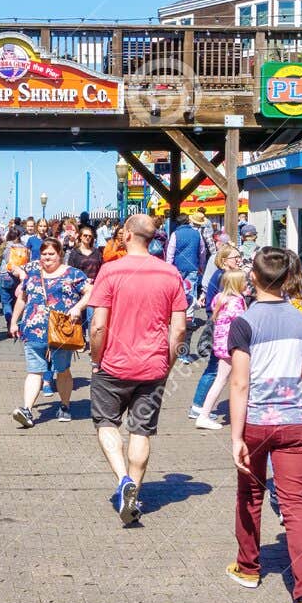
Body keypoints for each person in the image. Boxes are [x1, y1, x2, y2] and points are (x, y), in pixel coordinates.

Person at [225, 248, 302, 603]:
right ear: (287, 279)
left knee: (250, 495)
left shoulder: (244, 322)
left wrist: (236, 436)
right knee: (296, 505)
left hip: (256, 423)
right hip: (295, 422)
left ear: (253, 275)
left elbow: (239, 382)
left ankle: (249, 567)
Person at [86, 214, 187, 524]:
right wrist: (167, 363)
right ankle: (134, 492)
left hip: (113, 363)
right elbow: (180, 330)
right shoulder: (171, 274)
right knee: (141, 431)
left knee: (106, 422)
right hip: (153, 365)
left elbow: (98, 326)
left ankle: (122, 480)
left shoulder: (111, 271)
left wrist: (96, 357)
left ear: (127, 235)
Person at [10, 238, 91, 426]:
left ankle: (64, 405)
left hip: (61, 332)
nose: (47, 257)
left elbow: (91, 291)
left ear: (60, 254)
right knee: (34, 370)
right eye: (44, 254)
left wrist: (78, 308)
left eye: (51, 254)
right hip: (33, 332)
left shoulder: (73, 274)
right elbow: (23, 298)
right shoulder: (32, 274)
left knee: (62, 370)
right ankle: (27, 410)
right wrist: (15, 322)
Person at [189, 243, 246, 422]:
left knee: (216, 370)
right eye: (235, 257)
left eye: (239, 256)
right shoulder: (224, 277)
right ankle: (199, 406)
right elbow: (223, 306)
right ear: (224, 261)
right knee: (214, 370)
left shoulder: (223, 275)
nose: (239, 260)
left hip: (220, 329)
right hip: (222, 331)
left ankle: (202, 405)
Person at [0, 231, 32, 328]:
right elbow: (28, 261)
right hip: (19, 275)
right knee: (18, 299)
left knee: (6, 302)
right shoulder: (24, 247)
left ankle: (9, 323)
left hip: (5, 275)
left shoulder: (4, 245)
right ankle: (17, 322)